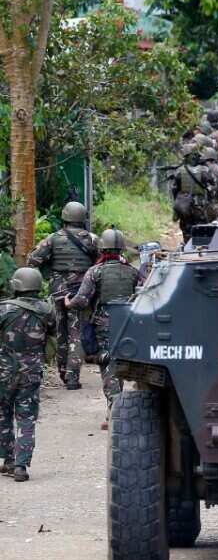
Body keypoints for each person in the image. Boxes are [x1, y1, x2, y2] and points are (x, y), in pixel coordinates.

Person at [68, 229, 141, 431]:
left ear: (102, 248)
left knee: (108, 364)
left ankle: (115, 410)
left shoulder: (95, 272)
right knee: (124, 360)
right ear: (122, 249)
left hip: (104, 324)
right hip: (129, 323)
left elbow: (81, 301)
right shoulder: (133, 272)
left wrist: (68, 303)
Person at [27, 201, 98, 390]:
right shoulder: (92, 239)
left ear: (64, 217)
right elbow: (99, 263)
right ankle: (73, 378)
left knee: (60, 332)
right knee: (76, 332)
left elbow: (32, 260)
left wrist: (49, 270)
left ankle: (63, 373)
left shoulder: (52, 239)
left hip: (57, 290)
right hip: (82, 291)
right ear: (82, 218)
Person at [0, 268, 56, 483]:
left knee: (3, 414)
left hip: (4, 371)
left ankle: (8, 460)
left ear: (16, 285)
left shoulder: (4, 308)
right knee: (26, 417)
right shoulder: (46, 310)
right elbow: (53, 335)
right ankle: (21, 465)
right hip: (31, 372)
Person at [169, 141, 218, 243]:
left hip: (184, 205)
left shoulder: (179, 170)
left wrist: (177, 203)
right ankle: (200, 246)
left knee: (186, 227)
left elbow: (174, 189)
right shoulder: (205, 170)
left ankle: (187, 245)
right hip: (200, 205)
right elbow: (214, 184)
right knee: (202, 228)